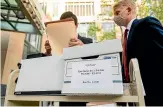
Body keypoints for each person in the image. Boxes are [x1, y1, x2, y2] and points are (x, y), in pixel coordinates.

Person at [113, 0, 163, 106]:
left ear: (129, 10)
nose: (115, 17)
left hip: (153, 92)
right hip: (135, 95)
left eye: (117, 13)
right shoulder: (124, 36)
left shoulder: (146, 23)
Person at [44, 11, 92, 106]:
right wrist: (48, 52)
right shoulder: (55, 40)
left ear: (76, 25)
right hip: (61, 84)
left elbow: (94, 61)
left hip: (80, 86)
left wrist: (83, 47)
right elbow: (51, 63)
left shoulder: (87, 41)